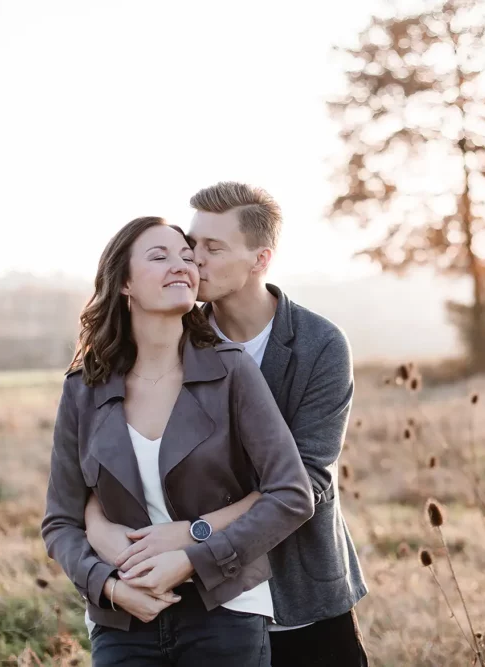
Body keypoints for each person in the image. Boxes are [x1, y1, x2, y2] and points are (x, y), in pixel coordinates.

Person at [85, 182, 370, 666]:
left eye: (212, 248)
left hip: (299, 587)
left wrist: (193, 535)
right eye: (191, 243)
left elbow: (306, 483)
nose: (193, 260)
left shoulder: (320, 345)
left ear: (260, 259)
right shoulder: (172, 337)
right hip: (206, 604)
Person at [42, 216, 314, 666]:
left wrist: (193, 559)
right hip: (123, 619)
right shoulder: (83, 388)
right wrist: (109, 587)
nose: (181, 265)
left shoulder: (232, 371)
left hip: (226, 610)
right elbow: (60, 522)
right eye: (159, 256)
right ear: (124, 283)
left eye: (187, 257)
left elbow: (291, 494)